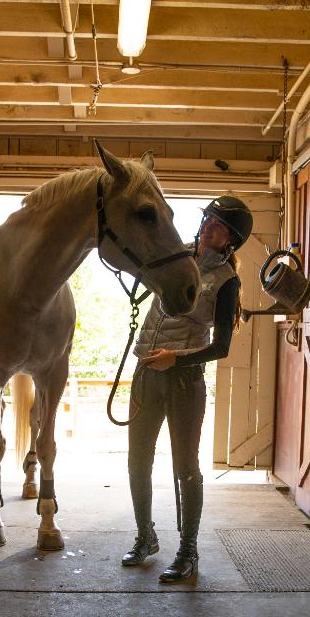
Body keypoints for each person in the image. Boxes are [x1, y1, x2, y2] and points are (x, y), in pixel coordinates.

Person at [121, 195, 254, 582]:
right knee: (136, 461)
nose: (207, 226)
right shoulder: (174, 259)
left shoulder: (227, 281)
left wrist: (175, 358)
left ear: (229, 240)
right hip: (146, 372)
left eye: (218, 225)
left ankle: (188, 550)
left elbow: (222, 347)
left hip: (182, 379)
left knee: (186, 468)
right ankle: (145, 537)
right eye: (207, 219)